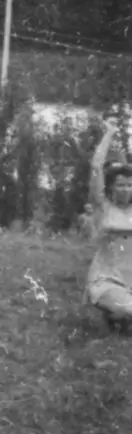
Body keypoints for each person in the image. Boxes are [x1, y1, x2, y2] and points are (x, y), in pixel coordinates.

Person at [86, 118, 132, 332]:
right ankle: (117, 315)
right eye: (121, 185)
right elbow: (96, 167)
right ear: (112, 187)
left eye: (130, 185)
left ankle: (119, 319)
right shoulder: (103, 207)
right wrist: (110, 133)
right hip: (106, 280)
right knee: (127, 309)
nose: (126, 189)